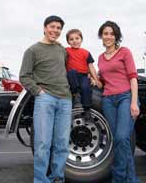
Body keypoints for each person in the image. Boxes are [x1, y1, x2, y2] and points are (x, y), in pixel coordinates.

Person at [19, 15, 72, 183]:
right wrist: (39, 92)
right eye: (52, 27)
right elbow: (24, 76)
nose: (55, 30)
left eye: (58, 28)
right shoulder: (33, 50)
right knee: (43, 143)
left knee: (62, 143)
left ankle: (57, 178)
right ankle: (41, 180)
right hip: (45, 99)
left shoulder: (61, 50)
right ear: (44, 27)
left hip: (65, 100)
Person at [97, 20, 140, 183]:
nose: (108, 36)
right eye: (105, 33)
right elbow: (104, 81)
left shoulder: (124, 52)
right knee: (119, 140)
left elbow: (133, 78)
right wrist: (94, 79)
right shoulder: (100, 58)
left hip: (125, 97)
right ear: (101, 35)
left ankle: (118, 178)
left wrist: (134, 102)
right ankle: (131, 179)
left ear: (116, 36)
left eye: (111, 34)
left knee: (122, 137)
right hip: (108, 100)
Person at [65, 29, 101, 121]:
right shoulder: (66, 51)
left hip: (83, 75)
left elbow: (91, 67)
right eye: (71, 39)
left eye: (77, 38)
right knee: (72, 72)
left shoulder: (86, 52)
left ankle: (87, 109)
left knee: (86, 88)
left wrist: (96, 79)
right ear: (68, 41)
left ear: (81, 39)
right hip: (71, 76)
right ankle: (76, 95)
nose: (74, 41)